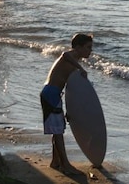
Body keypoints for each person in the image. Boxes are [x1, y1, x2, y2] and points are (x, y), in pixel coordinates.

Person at [40, 33, 93, 175]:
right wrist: (80, 69)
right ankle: (65, 165)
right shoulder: (71, 56)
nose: (90, 51)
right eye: (88, 47)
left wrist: (72, 110)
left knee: (57, 128)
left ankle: (56, 161)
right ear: (78, 47)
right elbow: (64, 54)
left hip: (54, 94)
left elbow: (71, 89)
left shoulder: (74, 62)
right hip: (51, 93)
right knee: (57, 131)